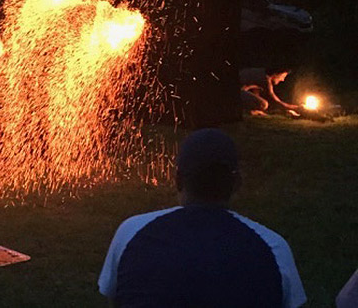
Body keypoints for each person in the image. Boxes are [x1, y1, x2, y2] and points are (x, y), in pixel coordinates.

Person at [98, 128, 306, 308]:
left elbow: (116, 302)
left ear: (178, 180)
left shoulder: (131, 232)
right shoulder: (274, 248)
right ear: (237, 183)